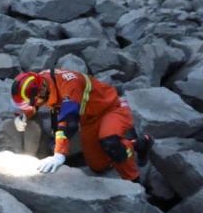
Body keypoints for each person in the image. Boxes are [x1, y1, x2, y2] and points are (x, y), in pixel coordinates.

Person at [11, 70, 153, 182]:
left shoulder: (71, 85)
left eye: (34, 102)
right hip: (88, 119)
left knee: (111, 144)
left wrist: (59, 154)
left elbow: (68, 123)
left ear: (41, 90)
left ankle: (134, 178)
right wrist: (23, 115)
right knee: (98, 166)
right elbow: (34, 102)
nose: (34, 105)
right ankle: (136, 144)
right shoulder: (41, 81)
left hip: (111, 108)